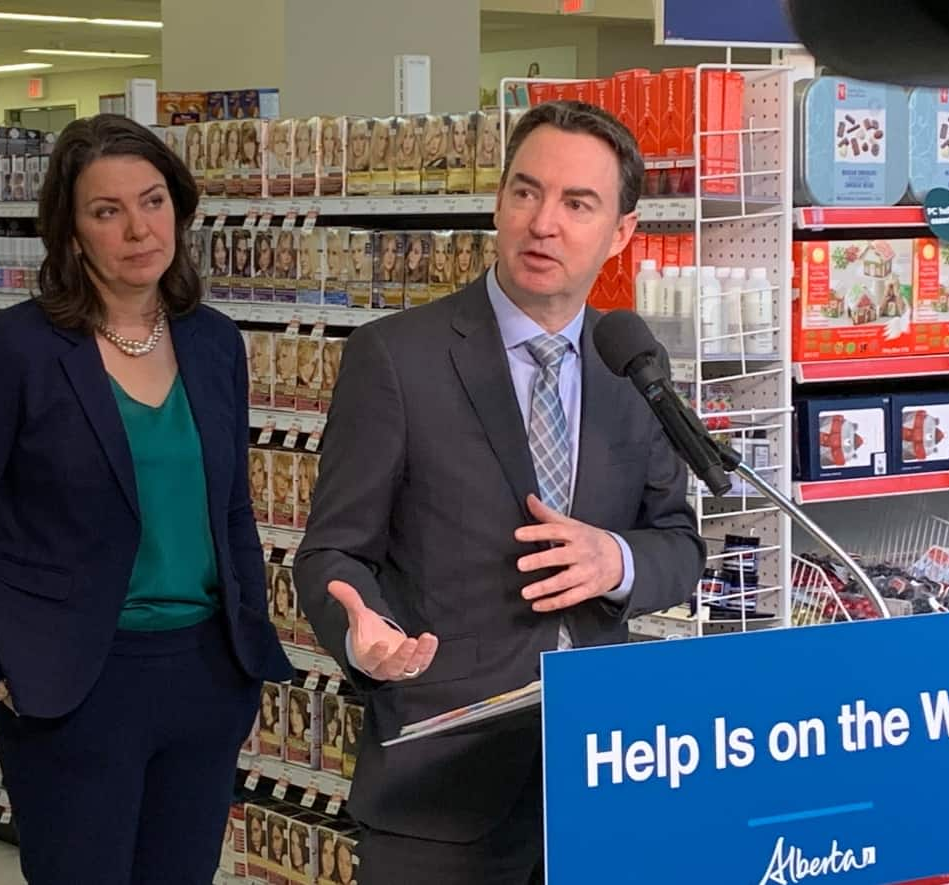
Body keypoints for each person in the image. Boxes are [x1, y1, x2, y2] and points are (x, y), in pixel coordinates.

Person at [294, 101, 705, 884]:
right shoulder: (396, 360)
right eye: (525, 191)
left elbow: (679, 543)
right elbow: (334, 549)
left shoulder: (633, 369)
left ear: (621, 231)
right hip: (439, 792)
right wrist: (364, 633)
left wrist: (613, 558)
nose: (542, 222)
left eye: (577, 203)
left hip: (598, 781)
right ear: (499, 200)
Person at [0, 113, 293, 885]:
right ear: (71, 231)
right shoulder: (21, 351)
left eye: (152, 201)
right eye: (106, 210)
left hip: (204, 677)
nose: (138, 229)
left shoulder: (214, 342)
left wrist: (247, 641)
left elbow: (231, 511)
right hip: (74, 686)